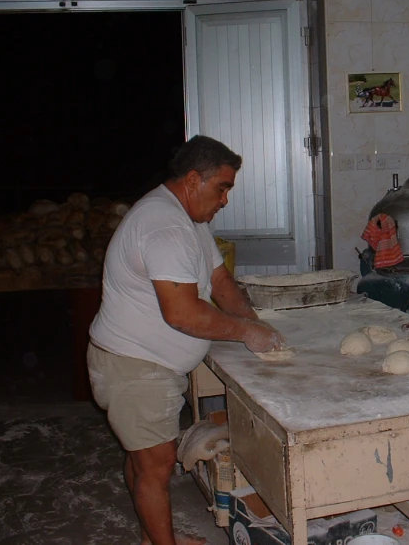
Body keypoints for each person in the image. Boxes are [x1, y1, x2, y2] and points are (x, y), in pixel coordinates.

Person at [87, 135, 284, 545]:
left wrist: (255, 322)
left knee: (144, 461)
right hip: (135, 367)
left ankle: (152, 537)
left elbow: (218, 279)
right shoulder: (164, 226)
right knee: (155, 469)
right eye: (222, 188)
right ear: (194, 179)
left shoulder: (187, 221)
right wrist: (246, 333)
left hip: (144, 366)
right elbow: (183, 313)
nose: (225, 200)